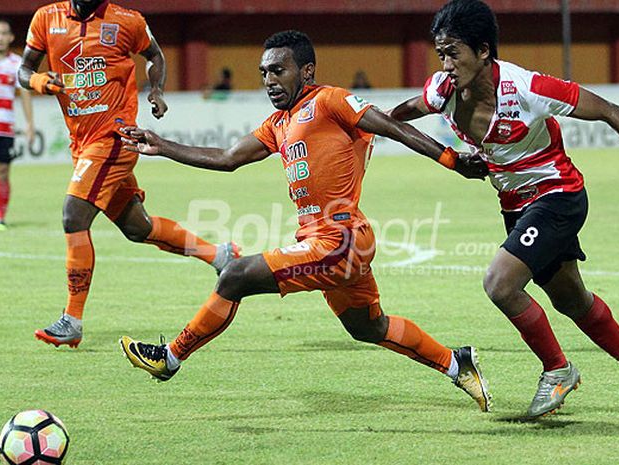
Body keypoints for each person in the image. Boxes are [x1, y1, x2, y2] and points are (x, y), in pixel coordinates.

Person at [118, 30, 493, 412]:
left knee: (235, 275)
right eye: (264, 72)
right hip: (333, 243)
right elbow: (228, 158)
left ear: (306, 71)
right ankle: (455, 362)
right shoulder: (278, 123)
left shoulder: (331, 101)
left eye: (278, 70)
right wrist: (162, 146)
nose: (269, 80)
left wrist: (453, 160)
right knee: (368, 328)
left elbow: (393, 127)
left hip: (339, 239)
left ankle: (171, 356)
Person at [389, 0, 619, 417]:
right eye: (441, 53)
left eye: (454, 52)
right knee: (571, 299)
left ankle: (557, 370)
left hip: (557, 196)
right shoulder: (442, 90)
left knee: (500, 284)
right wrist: (377, 130)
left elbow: (610, 111)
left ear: (484, 51)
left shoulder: (528, 89)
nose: (446, 64)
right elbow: (404, 114)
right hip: (515, 206)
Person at [18, 0, 238, 348]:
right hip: (82, 142)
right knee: (139, 228)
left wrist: (156, 90)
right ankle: (220, 255)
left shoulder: (127, 20)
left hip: (116, 135)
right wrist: (40, 80)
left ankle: (71, 319)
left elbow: (155, 56)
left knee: (73, 214)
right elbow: (23, 70)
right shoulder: (46, 18)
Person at [0, 19, 34, 231]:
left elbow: (25, 95)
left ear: (11, 37)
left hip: (5, 126)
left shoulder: (16, 63)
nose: (0, 37)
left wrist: (30, 124)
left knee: (3, 171)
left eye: (4, 33)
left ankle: (1, 216)